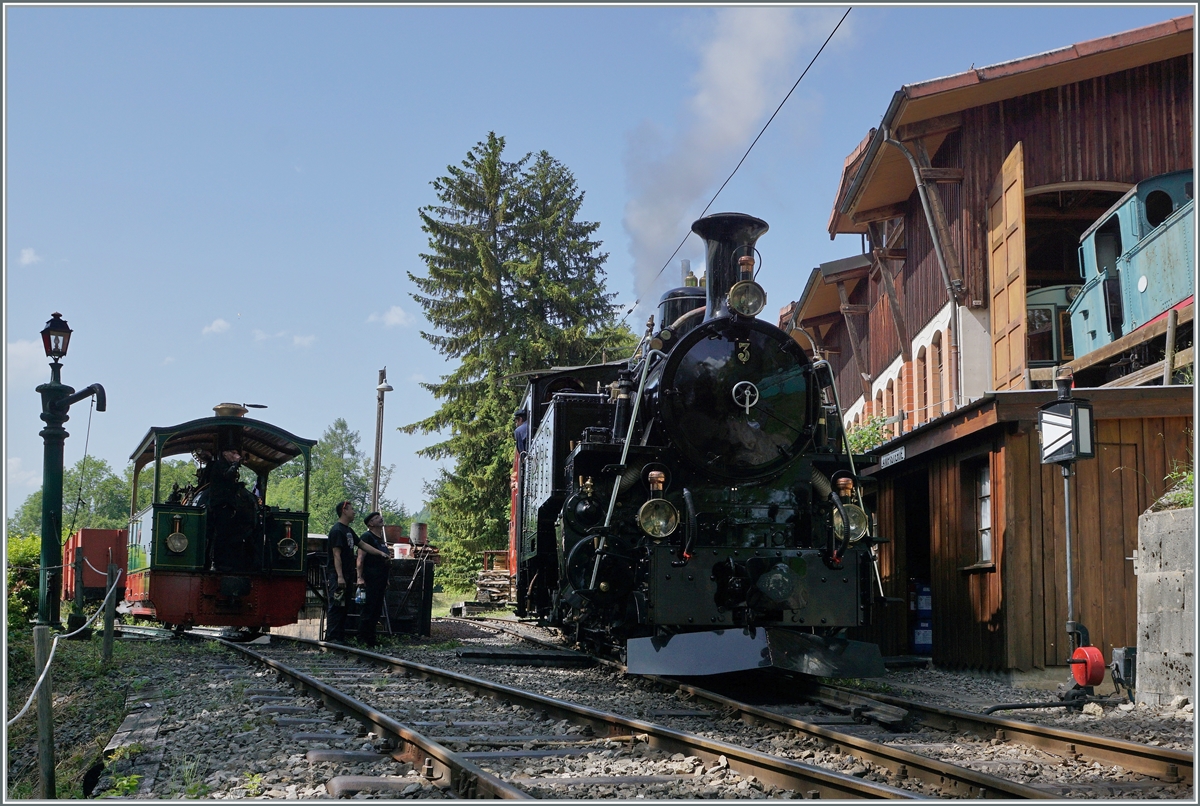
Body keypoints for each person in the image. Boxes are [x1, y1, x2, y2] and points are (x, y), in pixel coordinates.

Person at [355, 511, 392, 648]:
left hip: (381, 579)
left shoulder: (381, 539)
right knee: (368, 609)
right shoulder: (367, 537)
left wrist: (386, 579)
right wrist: (359, 577)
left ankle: (371, 638)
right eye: (376, 518)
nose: (380, 518)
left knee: (376, 610)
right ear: (370, 523)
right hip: (370, 578)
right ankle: (362, 638)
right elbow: (360, 558)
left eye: (379, 516)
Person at [325, 501, 358, 643]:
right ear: (344, 510)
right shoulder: (337, 530)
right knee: (337, 604)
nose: (354, 512)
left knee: (345, 606)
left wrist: (380, 554)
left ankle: (340, 636)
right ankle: (332, 636)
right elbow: (336, 555)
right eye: (352, 509)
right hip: (338, 575)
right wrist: (340, 576)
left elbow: (361, 544)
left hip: (348, 574)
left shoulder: (349, 531)